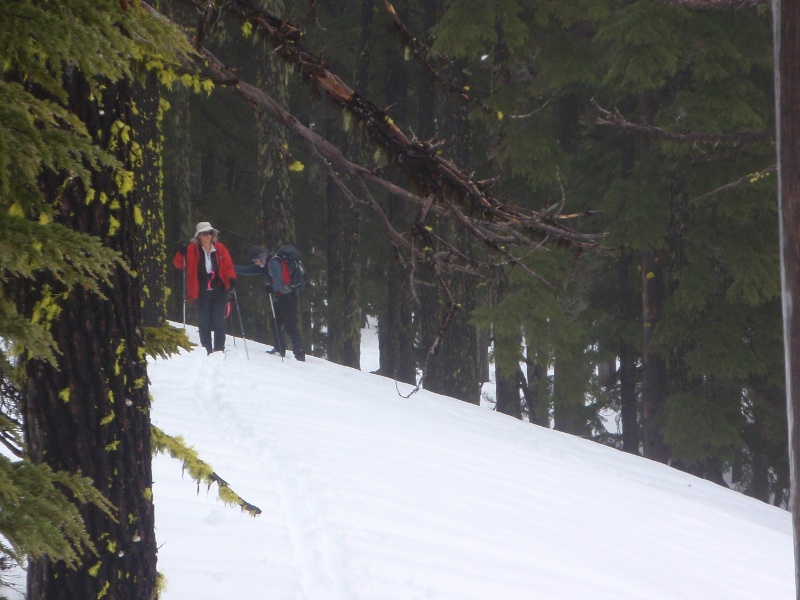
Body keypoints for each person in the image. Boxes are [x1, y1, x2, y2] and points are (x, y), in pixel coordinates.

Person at [173, 222, 237, 355]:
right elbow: (178, 264)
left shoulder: (220, 248)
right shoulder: (191, 250)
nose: (208, 236)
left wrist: (231, 278)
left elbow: (228, 266)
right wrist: (181, 252)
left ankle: (219, 350)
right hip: (200, 290)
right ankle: (206, 350)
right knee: (204, 322)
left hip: (220, 289)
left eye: (210, 233)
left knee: (219, 320)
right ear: (199, 236)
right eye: (204, 233)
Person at [235, 244, 306, 362]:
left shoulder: (273, 263)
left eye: (255, 260)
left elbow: (279, 280)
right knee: (276, 323)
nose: (256, 263)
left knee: (290, 326)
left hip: (287, 296)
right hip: (281, 296)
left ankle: (299, 353)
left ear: (261, 256)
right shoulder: (267, 263)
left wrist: (272, 288)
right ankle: (280, 349)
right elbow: (249, 270)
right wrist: (230, 267)